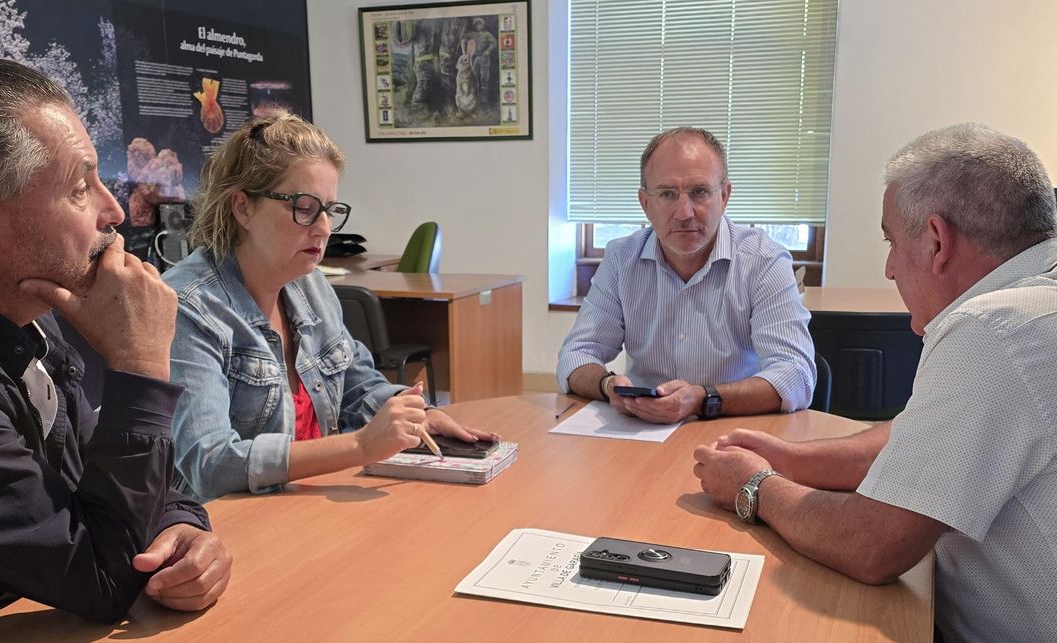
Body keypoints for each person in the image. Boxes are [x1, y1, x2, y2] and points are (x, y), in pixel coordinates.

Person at [0, 52, 232, 641]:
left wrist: (181, 528)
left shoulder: (18, 297)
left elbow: (97, 471)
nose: (113, 209)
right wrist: (139, 366)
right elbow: (105, 578)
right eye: (80, 188)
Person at [693, 123, 1057, 642]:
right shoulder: (1035, 300)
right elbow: (918, 438)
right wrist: (792, 459)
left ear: (937, 241)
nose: (888, 269)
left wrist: (755, 487)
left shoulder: (994, 329)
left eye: (891, 241)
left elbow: (872, 545)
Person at [162, 110, 496, 501]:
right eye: (304, 208)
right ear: (243, 207)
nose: (323, 228)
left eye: (330, 210)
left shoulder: (310, 284)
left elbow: (355, 383)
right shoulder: (188, 307)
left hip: (299, 505)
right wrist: (359, 446)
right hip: (226, 524)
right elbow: (210, 464)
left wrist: (413, 414)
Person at [557, 127, 815, 423]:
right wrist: (607, 387)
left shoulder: (763, 261)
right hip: (643, 429)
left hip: (733, 426)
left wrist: (704, 400)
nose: (684, 212)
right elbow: (575, 356)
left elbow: (796, 375)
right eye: (667, 194)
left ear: (724, 196)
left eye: (699, 192)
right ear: (645, 203)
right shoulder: (621, 259)